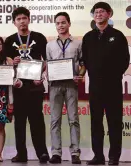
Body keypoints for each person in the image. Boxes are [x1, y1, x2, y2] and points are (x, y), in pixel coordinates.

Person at [81, 2, 130, 165]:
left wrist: (113, 75)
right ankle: (98, 156)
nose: (99, 14)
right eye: (96, 12)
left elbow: (125, 60)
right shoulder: (88, 37)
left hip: (113, 86)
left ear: (109, 14)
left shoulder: (118, 35)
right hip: (95, 86)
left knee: (114, 122)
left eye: (102, 11)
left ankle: (114, 157)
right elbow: (85, 60)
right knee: (96, 122)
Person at [4, 7, 50, 163]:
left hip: (35, 85)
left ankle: (42, 153)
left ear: (29, 19)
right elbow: (5, 61)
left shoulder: (39, 37)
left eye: (24, 18)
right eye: (18, 19)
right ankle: (21, 154)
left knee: (37, 120)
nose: (22, 21)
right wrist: (12, 61)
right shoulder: (10, 40)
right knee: (20, 122)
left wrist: (41, 76)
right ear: (14, 22)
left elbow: (46, 60)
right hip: (18, 86)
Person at [46, 12, 84, 164]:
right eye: (57, 23)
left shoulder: (78, 43)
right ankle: (56, 153)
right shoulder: (50, 45)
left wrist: (80, 76)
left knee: (73, 119)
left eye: (63, 22)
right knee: (55, 120)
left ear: (69, 24)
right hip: (55, 85)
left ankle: (75, 153)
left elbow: (82, 64)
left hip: (71, 85)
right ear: (55, 25)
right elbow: (48, 65)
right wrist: (47, 75)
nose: (60, 25)